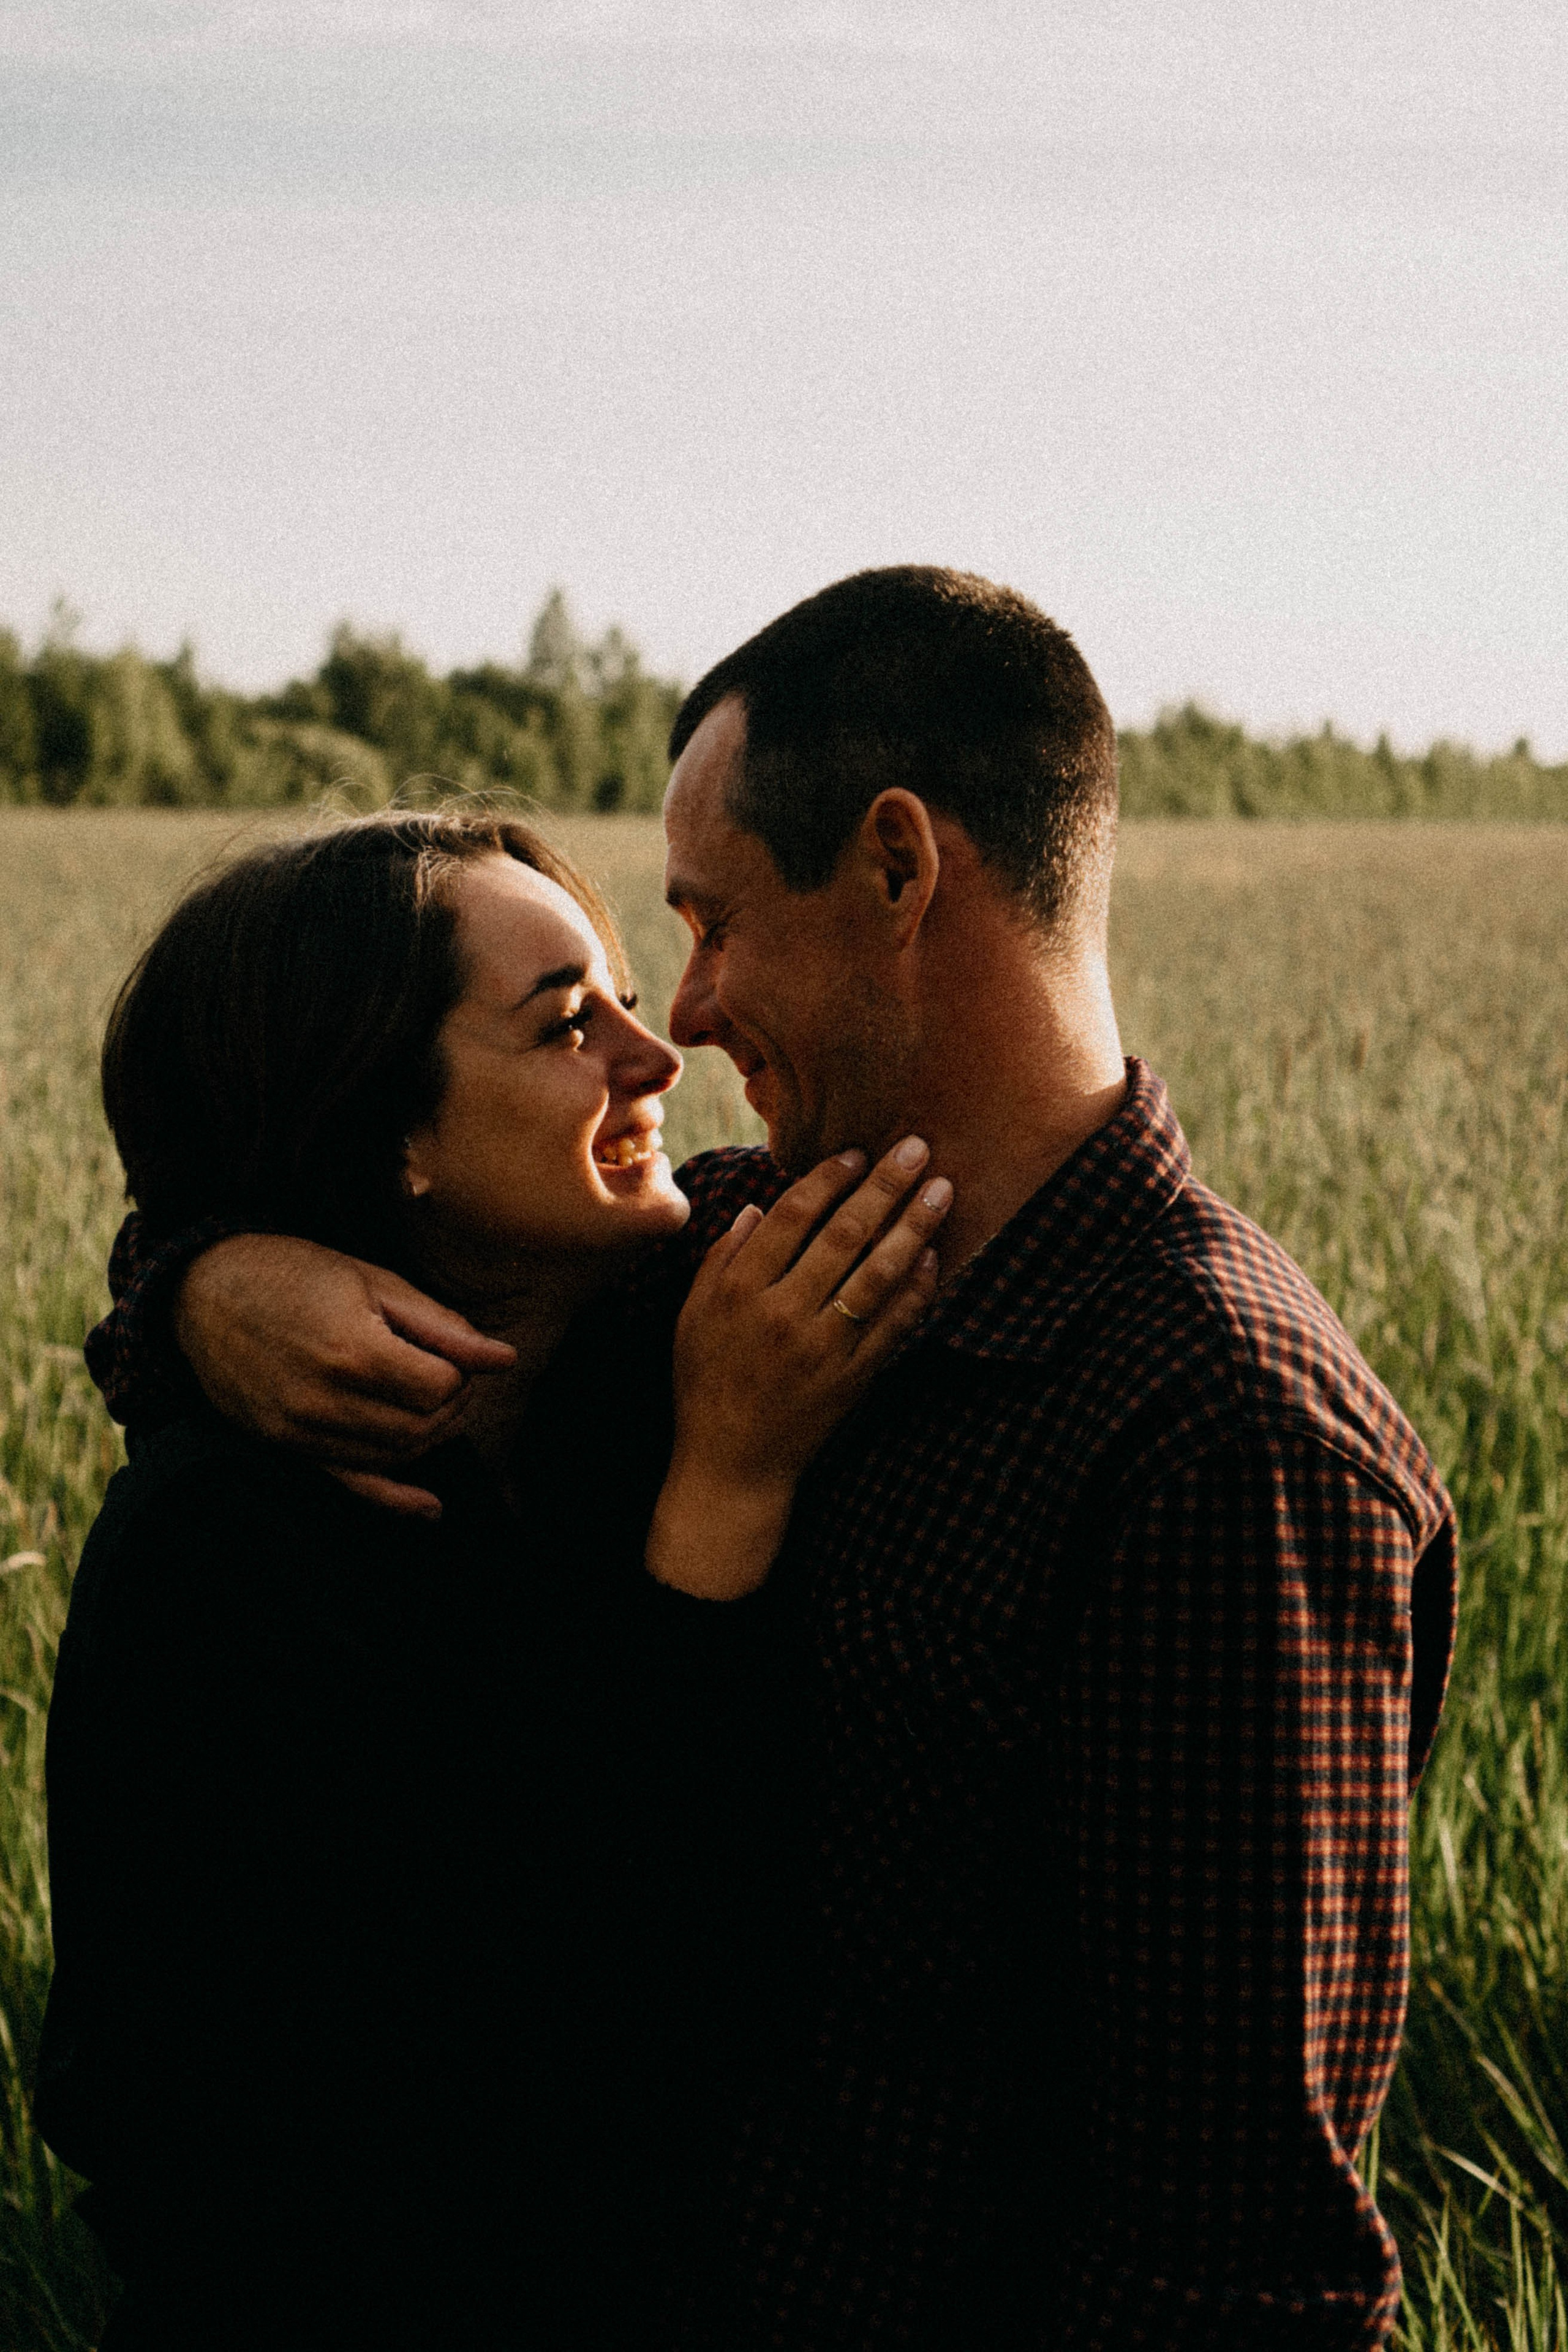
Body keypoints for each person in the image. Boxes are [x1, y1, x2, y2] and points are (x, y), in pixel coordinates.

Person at [85, 570, 1458, 2350]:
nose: (691, 1016)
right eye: (624, 981)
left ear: (897, 868)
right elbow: (310, 1180)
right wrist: (205, 1281)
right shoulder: (742, 1262)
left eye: (710, 925)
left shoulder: (1225, 1437)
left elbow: (1234, 2262)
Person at [39, 809, 951, 2350]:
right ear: (380, 1132)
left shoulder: (650, 1322)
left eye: (618, 995)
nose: (656, 1056)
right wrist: (722, 1496)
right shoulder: (230, 1566)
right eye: (563, 1025)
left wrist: (191, 1278)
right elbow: (569, 2044)